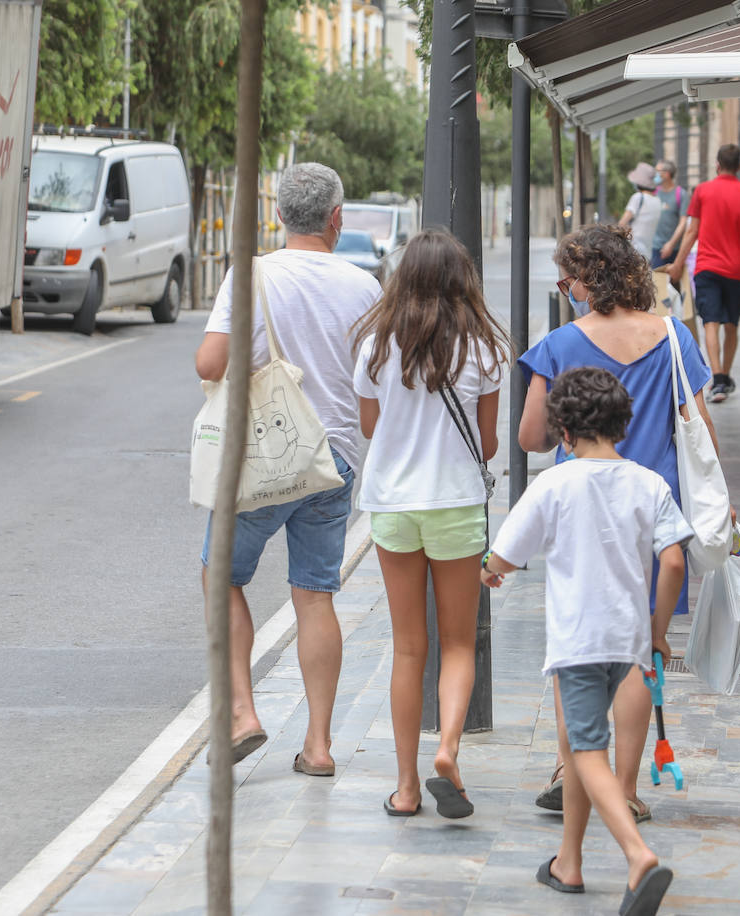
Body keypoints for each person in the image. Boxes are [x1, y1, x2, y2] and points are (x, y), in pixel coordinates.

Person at [519, 223, 717, 823]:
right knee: (639, 650)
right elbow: (700, 427)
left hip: (579, 513)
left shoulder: (558, 343)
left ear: (588, 279)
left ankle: (574, 769)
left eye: (569, 278)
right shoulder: (674, 335)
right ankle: (625, 788)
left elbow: (531, 437)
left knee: (577, 647)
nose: (566, 289)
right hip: (654, 508)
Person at [195, 162, 380, 776]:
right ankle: (320, 747)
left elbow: (210, 362)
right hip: (337, 460)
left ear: (279, 216)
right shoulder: (365, 287)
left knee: (221, 576)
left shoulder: (251, 276)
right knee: (315, 594)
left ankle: (244, 711)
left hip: (263, 461)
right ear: (337, 219)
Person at [483, 366, 687, 916]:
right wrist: (658, 630)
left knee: (585, 749)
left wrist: (490, 569)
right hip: (626, 642)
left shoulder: (553, 483)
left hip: (578, 642)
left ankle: (637, 854)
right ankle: (567, 863)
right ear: (622, 425)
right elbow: (672, 560)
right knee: (579, 744)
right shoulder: (650, 482)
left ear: (563, 433)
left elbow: (504, 553)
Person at [350, 229, 510, 817]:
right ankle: (447, 749)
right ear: (461, 279)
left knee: (408, 648)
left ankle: (406, 786)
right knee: (460, 642)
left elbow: (370, 429)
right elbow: (488, 445)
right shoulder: (485, 348)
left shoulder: (374, 345)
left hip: (393, 505)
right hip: (457, 504)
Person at [666, 143, 740, 402]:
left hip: (707, 268)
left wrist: (678, 263)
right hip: (736, 271)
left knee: (710, 323)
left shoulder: (703, 191)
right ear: (739, 166)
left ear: (717, 165)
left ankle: (717, 381)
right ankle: (725, 375)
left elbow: (692, 231)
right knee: (731, 325)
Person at [618, 162, 661, 258]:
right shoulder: (657, 200)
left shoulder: (638, 197)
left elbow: (622, 223)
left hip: (633, 249)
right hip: (648, 252)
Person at [650, 160, 688, 268]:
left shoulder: (681, 194)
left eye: (657, 171)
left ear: (666, 174)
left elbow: (683, 222)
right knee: (657, 282)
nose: (655, 174)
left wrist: (671, 244)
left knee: (674, 283)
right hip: (656, 248)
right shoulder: (654, 193)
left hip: (675, 249)